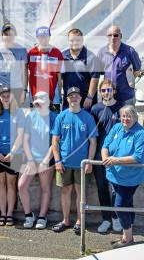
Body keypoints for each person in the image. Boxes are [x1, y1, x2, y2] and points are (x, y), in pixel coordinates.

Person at [102, 105, 144, 248]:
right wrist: (106, 158)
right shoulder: (117, 128)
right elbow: (105, 145)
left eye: (129, 116)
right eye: (123, 115)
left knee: (120, 206)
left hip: (130, 179)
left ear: (135, 117)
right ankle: (128, 233)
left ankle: (128, 238)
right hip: (114, 175)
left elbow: (139, 157)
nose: (126, 119)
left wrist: (115, 160)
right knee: (127, 205)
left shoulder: (140, 133)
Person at [51, 87, 97, 234]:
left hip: (82, 164)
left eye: (77, 95)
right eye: (71, 96)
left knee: (80, 192)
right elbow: (55, 141)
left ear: (81, 98)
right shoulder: (61, 117)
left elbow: (93, 142)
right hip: (64, 163)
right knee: (65, 191)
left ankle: (79, 220)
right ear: (67, 99)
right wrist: (57, 161)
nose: (74, 98)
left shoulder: (88, 117)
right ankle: (65, 220)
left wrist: (89, 161)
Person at [18, 91, 56, 230]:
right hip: (30, 158)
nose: (38, 105)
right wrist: (29, 160)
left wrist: (46, 160)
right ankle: (29, 215)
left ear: (48, 103)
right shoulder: (30, 116)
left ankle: (42, 216)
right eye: (36, 103)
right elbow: (25, 140)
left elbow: (54, 142)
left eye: (41, 102)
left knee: (45, 188)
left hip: (47, 159)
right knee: (21, 185)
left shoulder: (54, 117)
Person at [0, 86, 25, 227]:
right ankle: (2, 213)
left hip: (14, 154)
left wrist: (13, 152)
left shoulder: (18, 113)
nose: (5, 96)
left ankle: (10, 213)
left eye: (8, 94)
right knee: (1, 184)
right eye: (3, 94)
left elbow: (20, 135)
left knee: (11, 184)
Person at [89, 79, 123, 233]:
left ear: (114, 91)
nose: (106, 93)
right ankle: (106, 218)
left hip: (117, 154)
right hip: (99, 154)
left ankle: (116, 217)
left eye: (109, 90)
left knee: (115, 187)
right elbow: (92, 134)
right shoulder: (96, 109)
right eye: (103, 90)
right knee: (102, 187)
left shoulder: (121, 108)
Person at [97, 25, 141, 105]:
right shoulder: (102, 52)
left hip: (126, 97)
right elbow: (99, 72)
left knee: (127, 117)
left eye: (116, 35)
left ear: (121, 36)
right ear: (107, 36)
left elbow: (137, 70)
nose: (113, 37)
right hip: (109, 97)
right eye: (110, 35)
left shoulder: (130, 51)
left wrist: (127, 82)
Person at [61, 28, 100, 110]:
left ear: (82, 40)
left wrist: (89, 97)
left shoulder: (91, 57)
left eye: (77, 40)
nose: (74, 43)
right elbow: (58, 77)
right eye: (71, 40)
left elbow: (95, 78)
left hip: (86, 102)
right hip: (68, 101)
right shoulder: (63, 56)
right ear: (68, 41)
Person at [0, 22, 28, 105]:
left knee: (14, 115)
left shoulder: (22, 49)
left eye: (11, 34)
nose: (8, 37)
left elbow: (24, 72)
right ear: (2, 35)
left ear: (15, 35)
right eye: (6, 34)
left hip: (15, 88)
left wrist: (24, 90)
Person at [27, 26, 63, 103]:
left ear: (49, 37)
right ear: (37, 37)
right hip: (35, 95)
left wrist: (59, 94)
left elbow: (59, 77)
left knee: (54, 115)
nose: (43, 39)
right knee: (35, 115)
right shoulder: (31, 53)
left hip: (53, 96)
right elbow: (26, 72)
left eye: (46, 36)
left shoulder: (57, 53)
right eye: (41, 37)